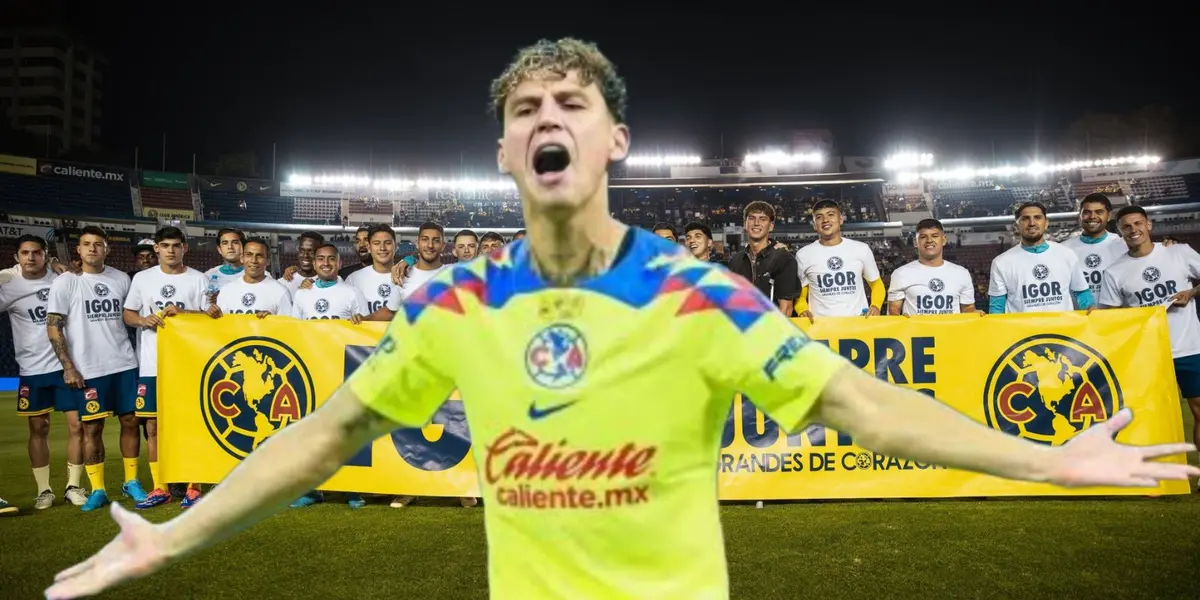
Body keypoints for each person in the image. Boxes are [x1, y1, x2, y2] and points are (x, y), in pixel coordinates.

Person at [46, 38, 1198, 600]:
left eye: (573, 103)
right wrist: (171, 532)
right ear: (503, 150)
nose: (549, 117)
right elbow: (326, 433)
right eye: (526, 108)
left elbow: (871, 408)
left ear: (612, 142)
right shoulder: (456, 298)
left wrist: (1054, 460)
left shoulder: (696, 293)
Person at [1096, 205, 1200, 490]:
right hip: (1148, 354)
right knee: (1146, 415)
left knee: (1199, 410)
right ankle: (1149, 474)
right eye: (1126, 227)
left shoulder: (1178, 253)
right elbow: (1111, 317)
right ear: (1120, 232)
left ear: (1149, 224)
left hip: (1189, 347)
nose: (1133, 230)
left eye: (1137, 223)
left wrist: (1191, 292)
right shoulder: (1114, 272)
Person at [45, 226, 147, 512]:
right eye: (87, 244)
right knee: (92, 428)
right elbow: (54, 325)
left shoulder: (120, 279)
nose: (92, 249)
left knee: (130, 422)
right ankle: (98, 488)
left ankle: (131, 481)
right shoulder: (65, 282)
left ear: (107, 249)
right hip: (88, 368)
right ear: (78, 250)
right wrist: (68, 366)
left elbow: (131, 314)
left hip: (124, 362)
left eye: (98, 244)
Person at [123, 227, 217, 509]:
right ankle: (160, 486)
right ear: (156, 250)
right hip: (152, 364)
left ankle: (193, 486)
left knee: (192, 424)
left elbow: (212, 319)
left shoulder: (199, 279)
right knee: (153, 427)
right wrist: (143, 321)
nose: (171, 250)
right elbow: (128, 314)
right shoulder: (142, 278)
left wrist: (185, 313)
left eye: (176, 245)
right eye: (165, 246)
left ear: (185, 248)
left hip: (189, 364)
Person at [0, 235, 88, 508]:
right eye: (25, 253)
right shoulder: (9, 287)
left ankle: (74, 486)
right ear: (16, 258)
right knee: (38, 428)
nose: (30, 257)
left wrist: (60, 266)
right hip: (32, 369)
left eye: (37, 252)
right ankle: (44, 490)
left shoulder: (62, 280)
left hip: (67, 365)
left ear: (45, 255)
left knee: (78, 425)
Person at [988, 201, 1093, 314]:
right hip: (1023, 331)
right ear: (1017, 226)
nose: (1032, 223)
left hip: (1061, 329)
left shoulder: (1066, 254)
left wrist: (1090, 308)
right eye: (1025, 219)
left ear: (1046, 223)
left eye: (1037, 217)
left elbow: (1081, 292)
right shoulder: (1001, 262)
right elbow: (997, 308)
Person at [794, 199, 884, 320]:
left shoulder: (861, 249)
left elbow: (876, 283)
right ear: (814, 225)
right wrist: (802, 310)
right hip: (821, 327)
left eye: (831, 214)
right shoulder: (803, 254)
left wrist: (876, 306)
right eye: (819, 217)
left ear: (841, 219)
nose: (825, 220)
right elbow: (801, 293)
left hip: (858, 324)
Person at [887, 219, 976, 315]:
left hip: (950, 330)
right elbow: (893, 313)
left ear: (944, 240)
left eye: (935, 236)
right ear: (915, 242)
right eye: (923, 237)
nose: (929, 240)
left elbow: (968, 311)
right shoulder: (900, 274)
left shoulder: (962, 274)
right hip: (917, 330)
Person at [727, 201, 800, 315]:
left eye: (762, 219)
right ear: (745, 224)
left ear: (771, 226)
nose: (756, 223)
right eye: (751, 218)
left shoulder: (783, 258)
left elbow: (786, 308)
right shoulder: (736, 260)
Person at [1062, 193, 1125, 297]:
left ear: (1109, 216)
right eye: (1086, 212)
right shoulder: (1065, 249)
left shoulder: (1123, 245)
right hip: (1079, 313)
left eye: (1099, 212)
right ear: (1080, 216)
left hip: (1116, 312)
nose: (1092, 217)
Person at [212, 238, 292, 317]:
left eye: (259, 256)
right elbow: (221, 325)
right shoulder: (226, 291)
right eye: (249, 255)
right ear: (242, 258)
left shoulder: (280, 292)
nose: (254, 260)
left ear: (268, 261)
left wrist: (272, 322)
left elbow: (288, 327)